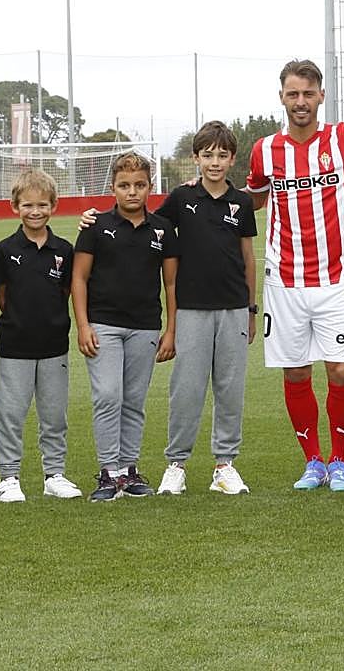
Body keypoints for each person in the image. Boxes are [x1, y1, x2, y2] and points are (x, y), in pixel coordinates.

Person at [246, 59, 344, 491]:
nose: (300, 102)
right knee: (296, 373)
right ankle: (313, 462)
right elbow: (254, 199)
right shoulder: (264, 150)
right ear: (281, 97)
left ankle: (340, 461)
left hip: (334, 279)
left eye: (308, 93)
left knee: (340, 371)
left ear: (321, 95)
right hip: (283, 282)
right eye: (292, 94)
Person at [153, 121, 258, 495]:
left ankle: (224, 465)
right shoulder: (182, 198)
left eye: (222, 155)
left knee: (230, 389)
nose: (215, 162)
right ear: (196, 158)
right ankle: (176, 465)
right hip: (191, 309)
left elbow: (247, 257)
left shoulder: (242, 202)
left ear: (232, 159)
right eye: (208, 155)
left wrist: (251, 306)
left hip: (232, 309)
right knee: (187, 389)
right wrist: (96, 219)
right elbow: (149, 226)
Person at [72, 152, 178, 501]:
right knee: (107, 396)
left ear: (150, 186)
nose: (132, 192)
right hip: (103, 324)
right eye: (124, 185)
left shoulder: (162, 229)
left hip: (145, 327)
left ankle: (129, 471)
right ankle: (108, 472)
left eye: (139, 185)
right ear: (113, 188)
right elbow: (79, 278)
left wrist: (171, 330)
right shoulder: (95, 227)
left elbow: (171, 284)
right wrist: (83, 325)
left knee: (133, 400)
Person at [0, 169, 82, 502]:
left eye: (42, 204)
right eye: (28, 205)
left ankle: (54, 474)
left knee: (54, 415)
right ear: (16, 206)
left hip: (54, 345)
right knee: (10, 414)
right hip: (15, 346)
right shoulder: (3, 249)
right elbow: (2, 295)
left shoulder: (63, 249)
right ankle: (8, 477)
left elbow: (65, 291)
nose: (35, 211)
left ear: (53, 206)